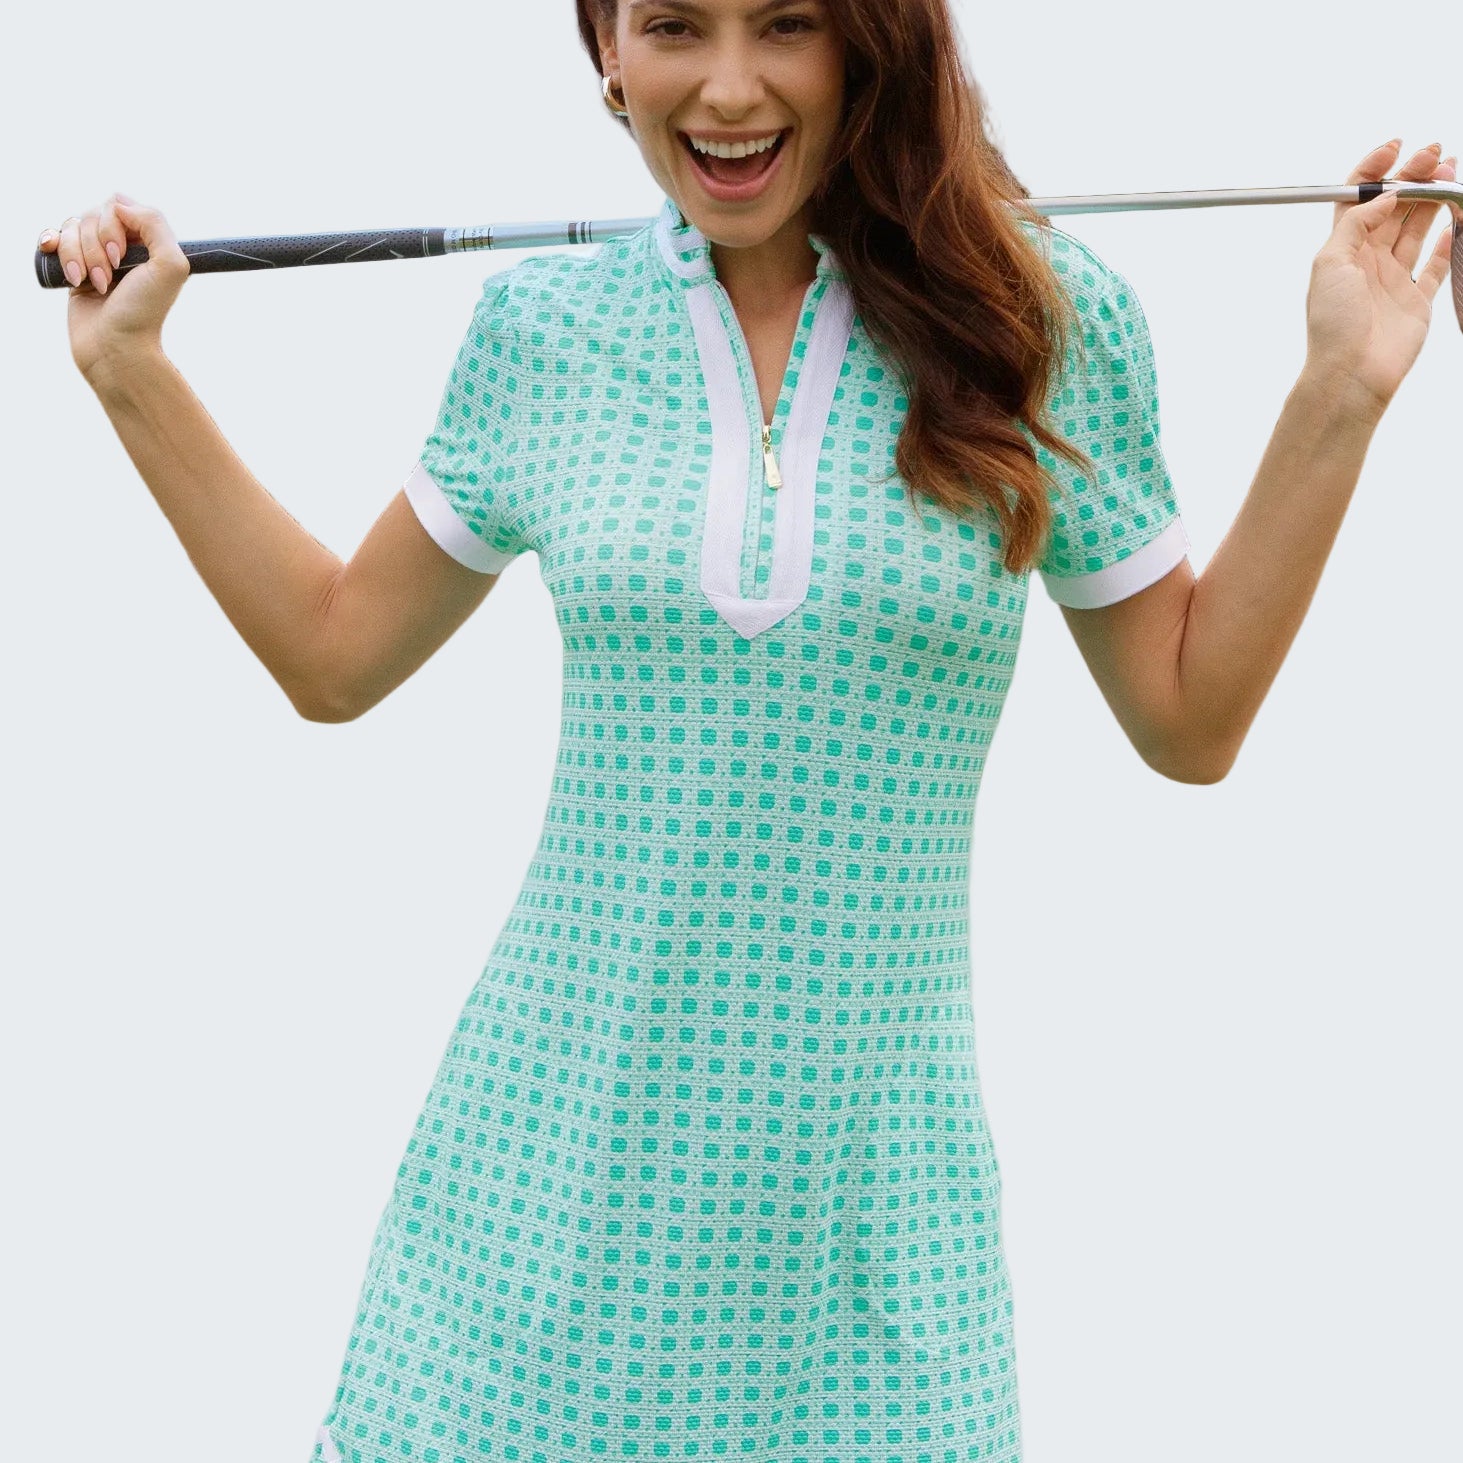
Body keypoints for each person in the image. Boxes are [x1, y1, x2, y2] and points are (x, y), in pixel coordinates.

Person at [40, 0, 1456, 1458]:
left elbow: (1188, 713)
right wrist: (132, 375)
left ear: (869, 46)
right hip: (537, 1218)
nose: (728, 88)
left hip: (872, 1253)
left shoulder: (1041, 319)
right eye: (673, 25)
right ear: (607, 50)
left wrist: (1343, 384)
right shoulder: (545, 330)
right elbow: (334, 656)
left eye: (785, 23)